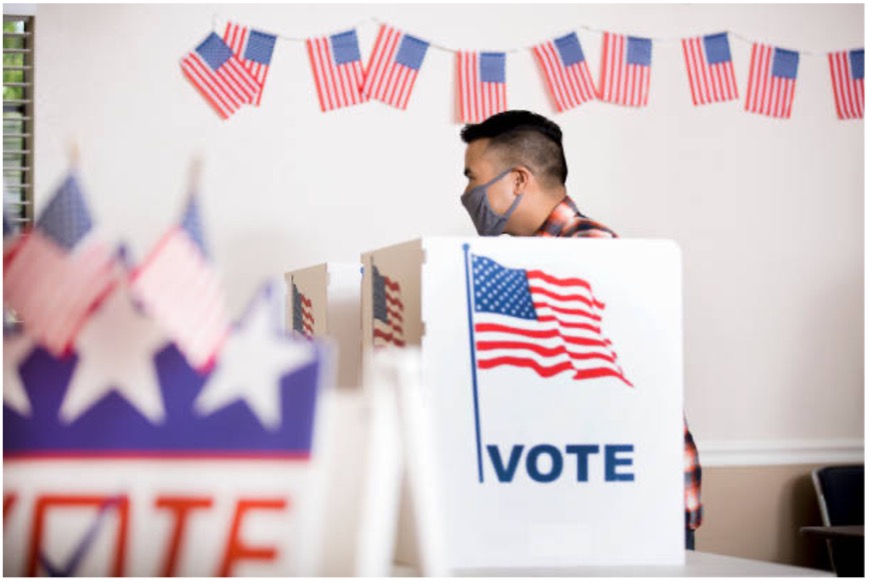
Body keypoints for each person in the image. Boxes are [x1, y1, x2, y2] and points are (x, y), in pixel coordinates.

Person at [459, 109, 703, 550]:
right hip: (594, 491)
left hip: (633, 500)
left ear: (518, 180)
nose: (467, 193)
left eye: (472, 177)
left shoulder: (588, 250)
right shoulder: (536, 258)